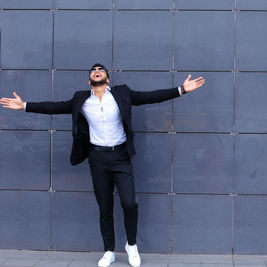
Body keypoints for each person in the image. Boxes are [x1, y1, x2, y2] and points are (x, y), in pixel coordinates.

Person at [0, 63, 205, 267]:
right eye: (93, 70)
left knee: (129, 203)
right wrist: (25, 105)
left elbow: (150, 97)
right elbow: (55, 107)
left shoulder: (121, 93)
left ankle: (131, 245)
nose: (97, 71)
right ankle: (109, 251)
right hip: (98, 159)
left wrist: (181, 90)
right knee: (105, 206)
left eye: (101, 70)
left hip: (121, 157)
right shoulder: (81, 98)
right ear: (90, 80)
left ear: (107, 78)